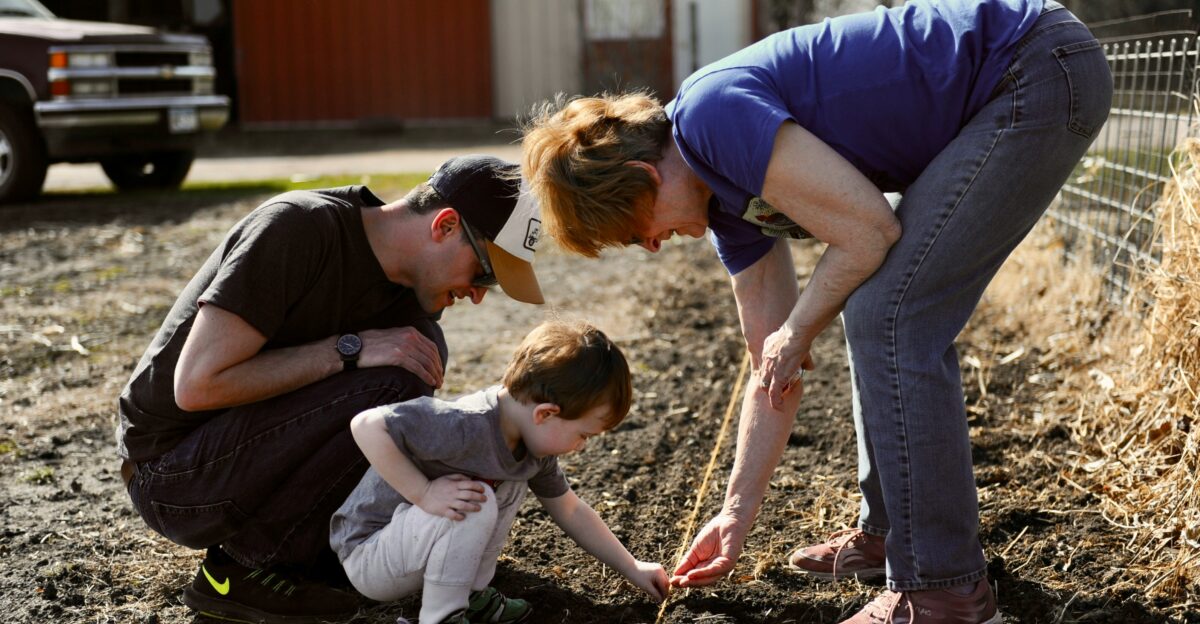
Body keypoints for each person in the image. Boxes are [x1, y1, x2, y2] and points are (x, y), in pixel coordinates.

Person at [519, 1, 1112, 622]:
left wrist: (798, 329)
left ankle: (944, 589)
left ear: (643, 177)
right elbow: (771, 370)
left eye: (633, 229)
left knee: (891, 313)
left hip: (1032, 67)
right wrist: (735, 515)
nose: (648, 245)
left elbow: (868, 230)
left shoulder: (710, 117)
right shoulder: (726, 207)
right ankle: (892, 536)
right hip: (1019, 74)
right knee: (876, 306)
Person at [117, 154, 545, 623]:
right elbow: (196, 385)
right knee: (392, 380)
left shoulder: (410, 306)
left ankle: (317, 557)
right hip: (173, 476)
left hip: (239, 460)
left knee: (415, 363)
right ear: (444, 226)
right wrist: (348, 348)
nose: (479, 294)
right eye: (483, 273)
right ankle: (241, 568)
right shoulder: (297, 229)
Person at [329, 320, 669, 623]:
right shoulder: (463, 423)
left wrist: (631, 567)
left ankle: (470, 595)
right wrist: (425, 493)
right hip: (370, 554)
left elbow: (570, 508)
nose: (582, 446)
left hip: (415, 548)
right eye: (584, 435)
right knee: (478, 499)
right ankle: (442, 615)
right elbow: (366, 425)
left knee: (507, 483)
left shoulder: (533, 449)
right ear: (545, 414)